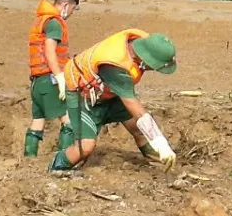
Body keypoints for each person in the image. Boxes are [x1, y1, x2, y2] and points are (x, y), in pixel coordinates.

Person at [50, 29, 178, 173]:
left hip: (107, 91)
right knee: (85, 147)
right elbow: (138, 110)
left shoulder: (140, 43)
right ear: (146, 60)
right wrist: (161, 143)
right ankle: (57, 167)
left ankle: (159, 160)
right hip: (81, 95)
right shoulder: (115, 67)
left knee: (137, 128)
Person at [24, 0, 79, 157]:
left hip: (37, 82)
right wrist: (60, 77)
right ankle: (63, 160)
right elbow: (50, 51)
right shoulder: (54, 23)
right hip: (50, 79)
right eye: (73, 9)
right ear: (65, 5)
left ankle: (29, 159)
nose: (71, 13)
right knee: (68, 119)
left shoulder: (41, 20)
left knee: (38, 121)